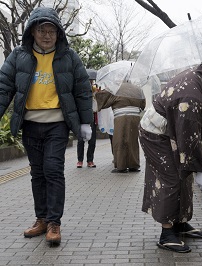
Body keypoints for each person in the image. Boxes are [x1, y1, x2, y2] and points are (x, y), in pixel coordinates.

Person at [0, 7, 93, 245]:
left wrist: (85, 122)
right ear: (32, 31)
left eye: (51, 30)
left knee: (53, 170)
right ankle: (41, 219)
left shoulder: (69, 57)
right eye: (42, 29)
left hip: (57, 125)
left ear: (59, 33)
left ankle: (54, 223)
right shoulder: (19, 55)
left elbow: (82, 90)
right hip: (30, 124)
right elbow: (4, 87)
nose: (47, 34)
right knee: (37, 173)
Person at [138, 56, 202, 253]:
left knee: (184, 174)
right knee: (171, 178)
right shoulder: (191, 94)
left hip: (172, 131)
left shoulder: (201, 80)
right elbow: (188, 138)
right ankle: (167, 233)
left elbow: (192, 128)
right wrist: (201, 169)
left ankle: (181, 222)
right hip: (155, 134)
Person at [96, 82, 146, 173]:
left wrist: (98, 92)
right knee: (133, 140)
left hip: (121, 117)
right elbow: (143, 104)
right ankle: (134, 165)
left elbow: (103, 100)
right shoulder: (138, 89)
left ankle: (121, 166)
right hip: (135, 117)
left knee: (119, 140)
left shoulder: (115, 87)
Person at [77, 78, 98, 168]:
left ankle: (90, 160)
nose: (90, 82)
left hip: (92, 118)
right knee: (81, 140)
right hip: (82, 118)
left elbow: (97, 106)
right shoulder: (79, 90)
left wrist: (95, 95)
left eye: (91, 81)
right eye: (89, 81)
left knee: (92, 141)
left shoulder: (95, 91)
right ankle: (80, 160)